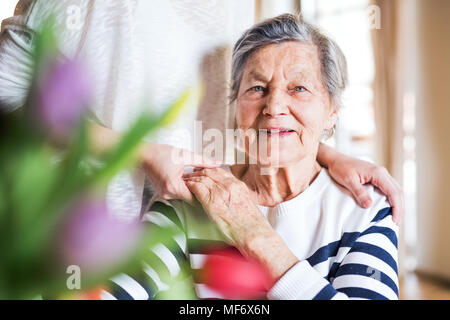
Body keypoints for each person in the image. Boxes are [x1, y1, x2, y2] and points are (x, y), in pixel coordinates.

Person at [0, 1, 404, 223]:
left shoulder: (232, 7)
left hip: (188, 238)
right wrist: (142, 152)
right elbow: (9, 99)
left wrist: (325, 152)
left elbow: (247, 111)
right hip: (73, 238)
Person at [102, 14, 399, 300]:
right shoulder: (192, 194)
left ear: (332, 112)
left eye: (298, 88)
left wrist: (254, 235)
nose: (274, 106)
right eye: (257, 88)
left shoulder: (364, 209)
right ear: (235, 106)